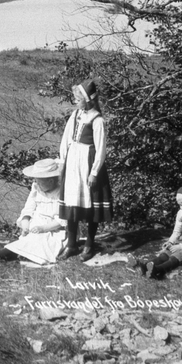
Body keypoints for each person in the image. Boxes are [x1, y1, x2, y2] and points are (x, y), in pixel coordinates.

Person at [58, 79, 113, 260]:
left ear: (88, 99)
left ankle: (89, 245)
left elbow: (101, 149)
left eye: (78, 98)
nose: (75, 101)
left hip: (88, 163)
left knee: (91, 207)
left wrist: (94, 172)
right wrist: (63, 160)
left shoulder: (97, 120)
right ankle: (72, 244)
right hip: (73, 163)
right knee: (72, 202)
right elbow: (66, 138)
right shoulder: (76, 115)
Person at [0, 158, 68, 265]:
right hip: (36, 224)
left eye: (40, 182)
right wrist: (25, 223)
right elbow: (29, 208)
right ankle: (2, 254)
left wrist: (43, 228)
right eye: (36, 181)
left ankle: (3, 254)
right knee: (30, 239)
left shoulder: (61, 193)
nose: (37, 184)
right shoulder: (36, 188)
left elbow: (62, 220)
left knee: (42, 241)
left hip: (54, 229)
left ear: (51, 181)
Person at [129, 186, 182, 278]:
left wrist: (181, 247)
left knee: (180, 255)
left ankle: (158, 270)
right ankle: (144, 266)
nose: (181, 208)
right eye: (179, 205)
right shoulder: (181, 213)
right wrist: (170, 242)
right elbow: (177, 232)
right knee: (166, 252)